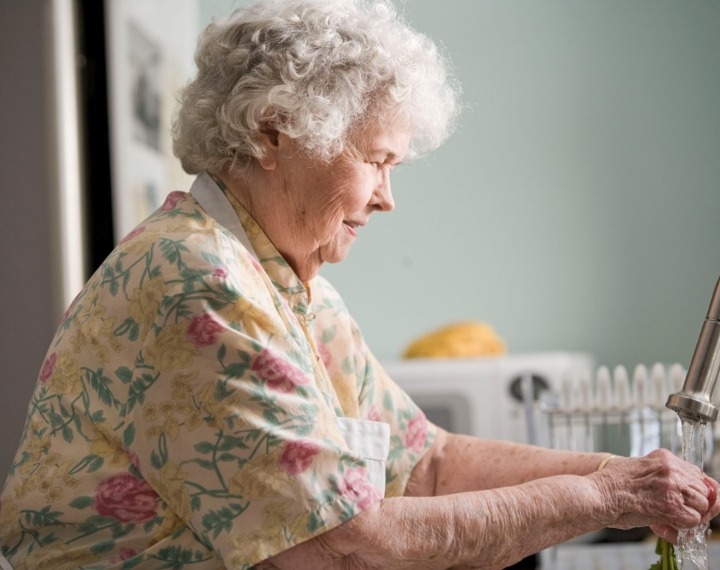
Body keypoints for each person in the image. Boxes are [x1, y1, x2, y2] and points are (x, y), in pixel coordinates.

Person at [1, 0, 718, 568]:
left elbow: (426, 462)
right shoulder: (199, 283)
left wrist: (629, 479)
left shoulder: (285, 281)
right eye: (377, 161)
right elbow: (343, 547)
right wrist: (599, 496)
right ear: (275, 133)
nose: (387, 198)